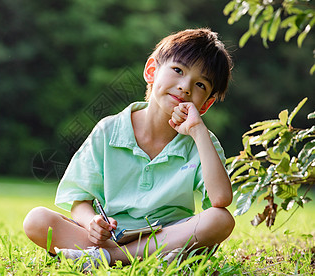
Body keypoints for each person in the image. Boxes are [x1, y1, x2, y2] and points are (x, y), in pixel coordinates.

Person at [23, 28, 235, 268]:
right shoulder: (109, 130)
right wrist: (92, 222)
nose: (185, 87)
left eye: (200, 85)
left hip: (168, 236)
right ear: (151, 71)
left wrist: (198, 131)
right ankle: (139, 257)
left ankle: (105, 259)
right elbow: (79, 199)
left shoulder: (201, 140)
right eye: (178, 70)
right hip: (112, 238)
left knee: (220, 219)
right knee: (37, 220)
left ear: (205, 105)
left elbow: (220, 199)